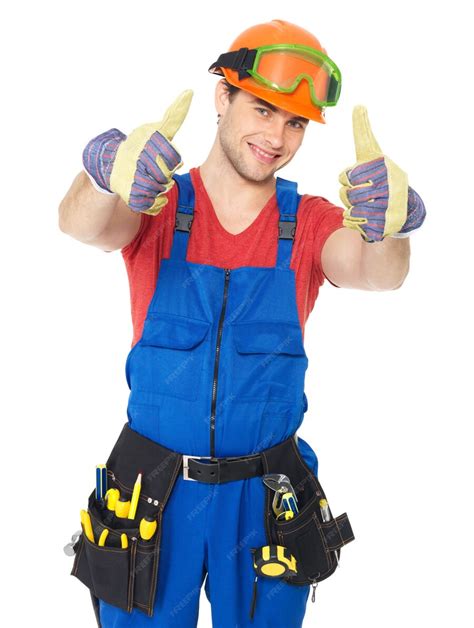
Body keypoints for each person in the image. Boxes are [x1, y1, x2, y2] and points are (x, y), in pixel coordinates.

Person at [59, 19, 425, 628]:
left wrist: (388, 227)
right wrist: (103, 176)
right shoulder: (157, 202)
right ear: (222, 97)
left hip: (264, 496)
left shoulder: (307, 223)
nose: (277, 136)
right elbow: (83, 223)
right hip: (152, 489)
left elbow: (378, 271)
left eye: (295, 122)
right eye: (262, 108)